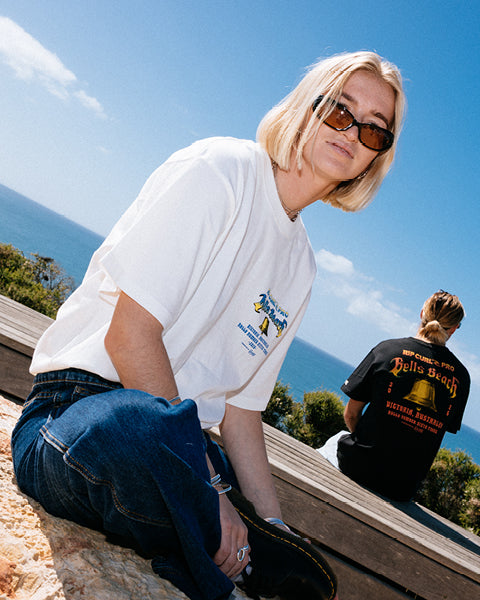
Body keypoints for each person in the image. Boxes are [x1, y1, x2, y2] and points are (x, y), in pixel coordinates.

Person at [11, 50, 405, 600]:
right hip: (78, 416)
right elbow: (129, 336)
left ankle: (238, 553)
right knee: (138, 429)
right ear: (305, 107)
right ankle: (222, 559)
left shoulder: (302, 267)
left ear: (374, 159)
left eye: (374, 131)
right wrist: (211, 489)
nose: (353, 132)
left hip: (187, 446)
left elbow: (242, 414)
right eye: (339, 109)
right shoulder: (221, 171)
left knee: (253, 526)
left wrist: (277, 529)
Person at [318, 291, 470, 502]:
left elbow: (351, 414)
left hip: (358, 466)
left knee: (334, 441)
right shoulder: (461, 377)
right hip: (402, 487)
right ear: (454, 329)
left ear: (421, 314)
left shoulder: (387, 350)